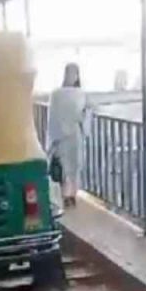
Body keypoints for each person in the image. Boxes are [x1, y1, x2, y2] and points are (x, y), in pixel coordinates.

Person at [47, 62, 92, 208]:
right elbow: (53, 115)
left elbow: (84, 112)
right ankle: (67, 195)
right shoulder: (59, 94)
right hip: (65, 135)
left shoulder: (77, 94)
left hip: (72, 134)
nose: (72, 76)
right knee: (65, 165)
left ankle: (71, 194)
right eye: (70, 72)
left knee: (74, 165)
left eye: (74, 73)